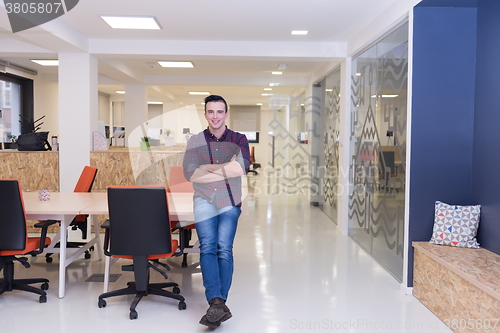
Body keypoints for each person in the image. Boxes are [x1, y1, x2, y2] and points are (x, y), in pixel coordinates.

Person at [183, 94, 250, 329]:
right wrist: (225, 167)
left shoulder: (239, 138)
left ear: (226, 114)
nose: (215, 116)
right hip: (204, 198)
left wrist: (208, 168)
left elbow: (241, 167)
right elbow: (190, 173)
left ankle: (217, 304)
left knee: (224, 247)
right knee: (208, 246)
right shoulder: (195, 140)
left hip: (229, 199)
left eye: (219, 111)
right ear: (205, 114)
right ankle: (217, 302)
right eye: (211, 112)